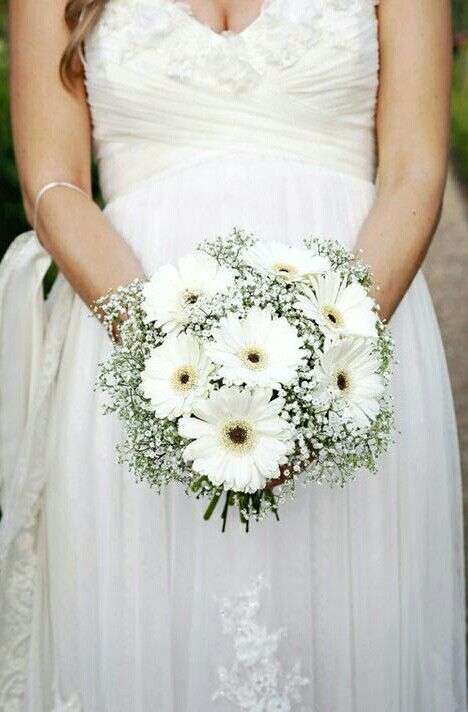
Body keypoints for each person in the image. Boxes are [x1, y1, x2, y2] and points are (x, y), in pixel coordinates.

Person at [1, 0, 466, 709]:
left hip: (359, 352)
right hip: (133, 358)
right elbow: (54, 182)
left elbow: (414, 168)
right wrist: (174, 366)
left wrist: (324, 369)